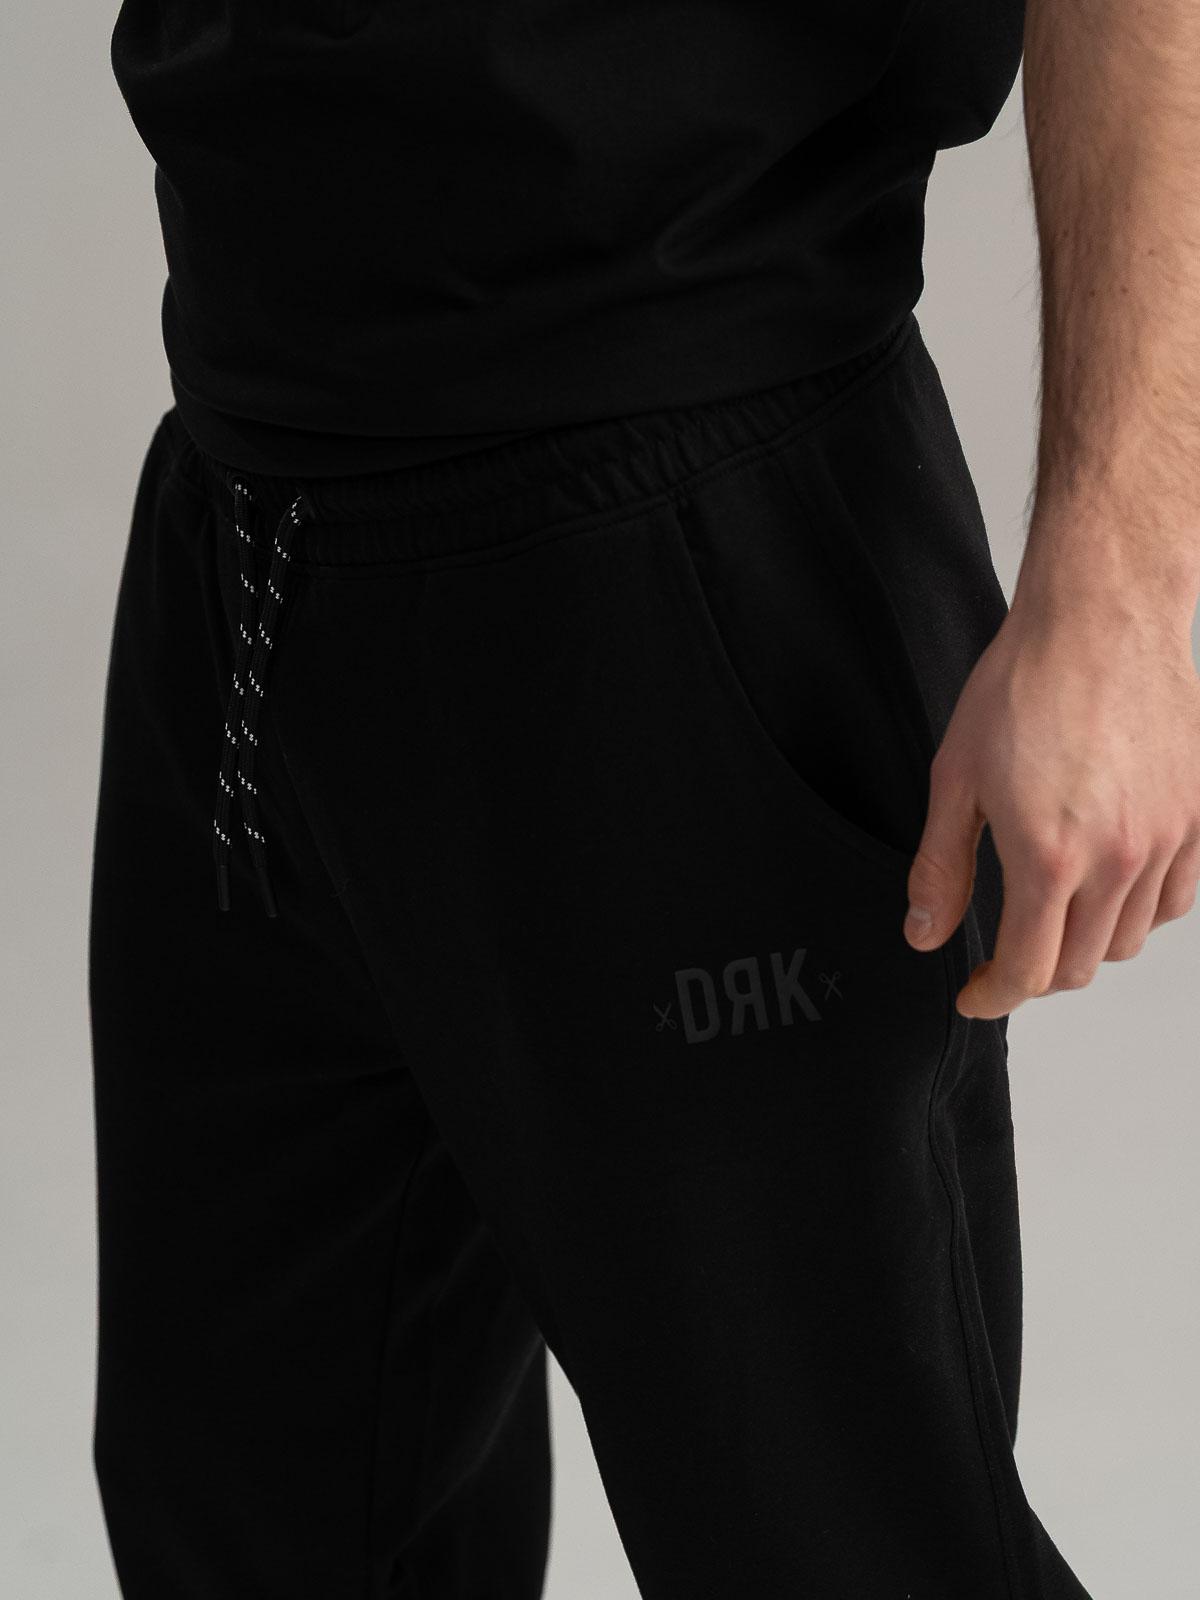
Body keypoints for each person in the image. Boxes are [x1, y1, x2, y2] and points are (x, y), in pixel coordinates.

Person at [89, 1, 1199, 1595]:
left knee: (836, 1551)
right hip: (246, 530)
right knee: (247, 1532)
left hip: (682, 542)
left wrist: (1120, 591)